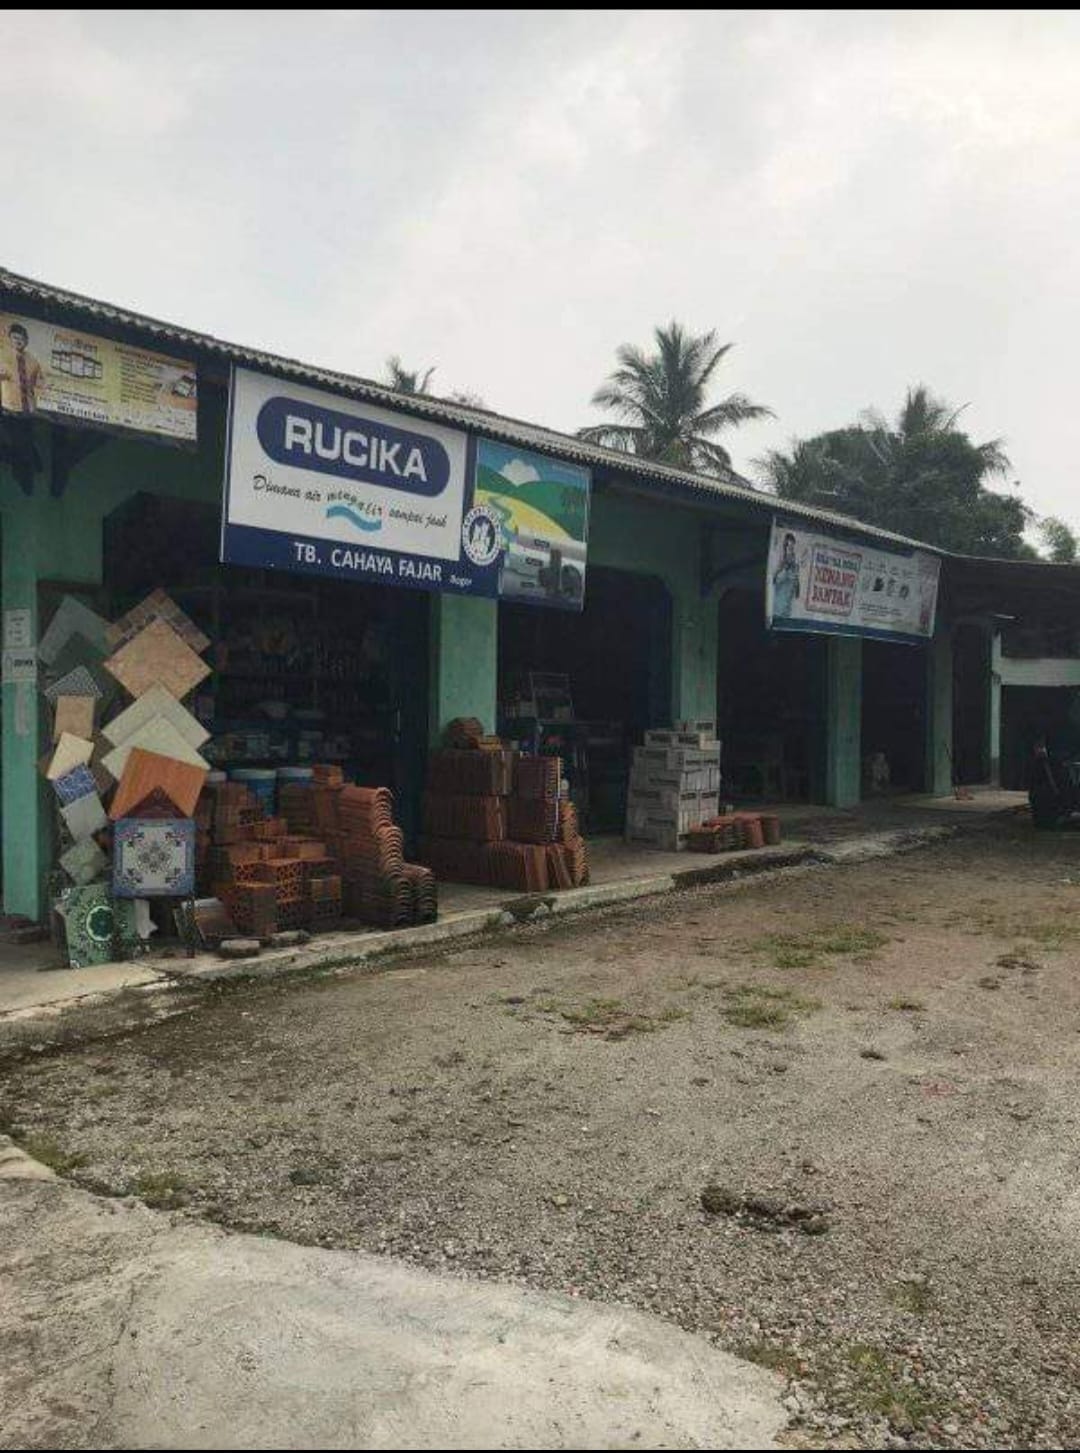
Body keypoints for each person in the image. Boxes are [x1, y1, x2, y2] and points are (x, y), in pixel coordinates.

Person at [0, 323, 44, 414]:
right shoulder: (2, 356)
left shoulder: (33, 360)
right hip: (7, 408)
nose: (18, 341)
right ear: (10, 339)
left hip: (28, 409)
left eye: (22, 339)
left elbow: (39, 381)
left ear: (26, 341)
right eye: (15, 338)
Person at [772, 531, 802, 617]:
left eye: (792, 547)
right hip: (778, 604)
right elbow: (775, 578)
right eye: (788, 547)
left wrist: (797, 588)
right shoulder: (781, 560)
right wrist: (779, 571)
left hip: (787, 604)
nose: (790, 550)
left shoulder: (795, 563)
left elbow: (796, 577)